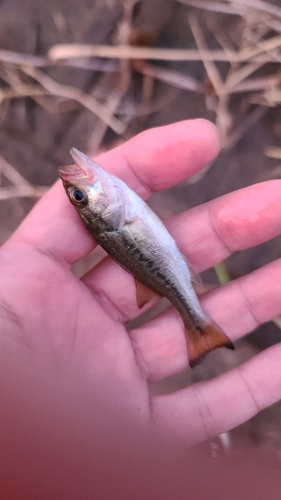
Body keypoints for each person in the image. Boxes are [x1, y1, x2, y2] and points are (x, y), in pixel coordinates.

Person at [1, 119, 281, 498]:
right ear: (100, 212)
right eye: (80, 197)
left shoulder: (118, 212)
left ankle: (197, 326)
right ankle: (198, 327)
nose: (78, 185)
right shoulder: (117, 214)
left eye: (78, 194)